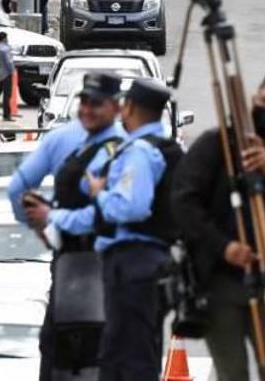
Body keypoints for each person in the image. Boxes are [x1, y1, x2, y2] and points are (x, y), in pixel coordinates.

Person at [173, 72, 265, 381]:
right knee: (232, 374)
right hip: (219, 282)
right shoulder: (217, 145)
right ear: (253, 100)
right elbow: (184, 203)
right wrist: (223, 247)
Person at [38, 78, 182, 381]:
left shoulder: (139, 153)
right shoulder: (163, 148)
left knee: (131, 360)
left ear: (128, 107)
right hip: (144, 264)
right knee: (118, 357)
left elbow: (131, 208)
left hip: (133, 264)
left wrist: (99, 193)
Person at [9, 72, 125, 381]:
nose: (87, 109)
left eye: (96, 104)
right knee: (60, 354)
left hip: (97, 271)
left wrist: (51, 219)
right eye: (84, 102)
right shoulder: (82, 146)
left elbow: (107, 215)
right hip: (71, 268)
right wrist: (44, 225)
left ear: (116, 107)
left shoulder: (118, 152)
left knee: (87, 357)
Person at [0, 31, 15, 121]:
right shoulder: (6, 49)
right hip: (6, 75)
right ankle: (6, 115)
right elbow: (9, 62)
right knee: (7, 96)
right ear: (4, 39)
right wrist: (13, 72)